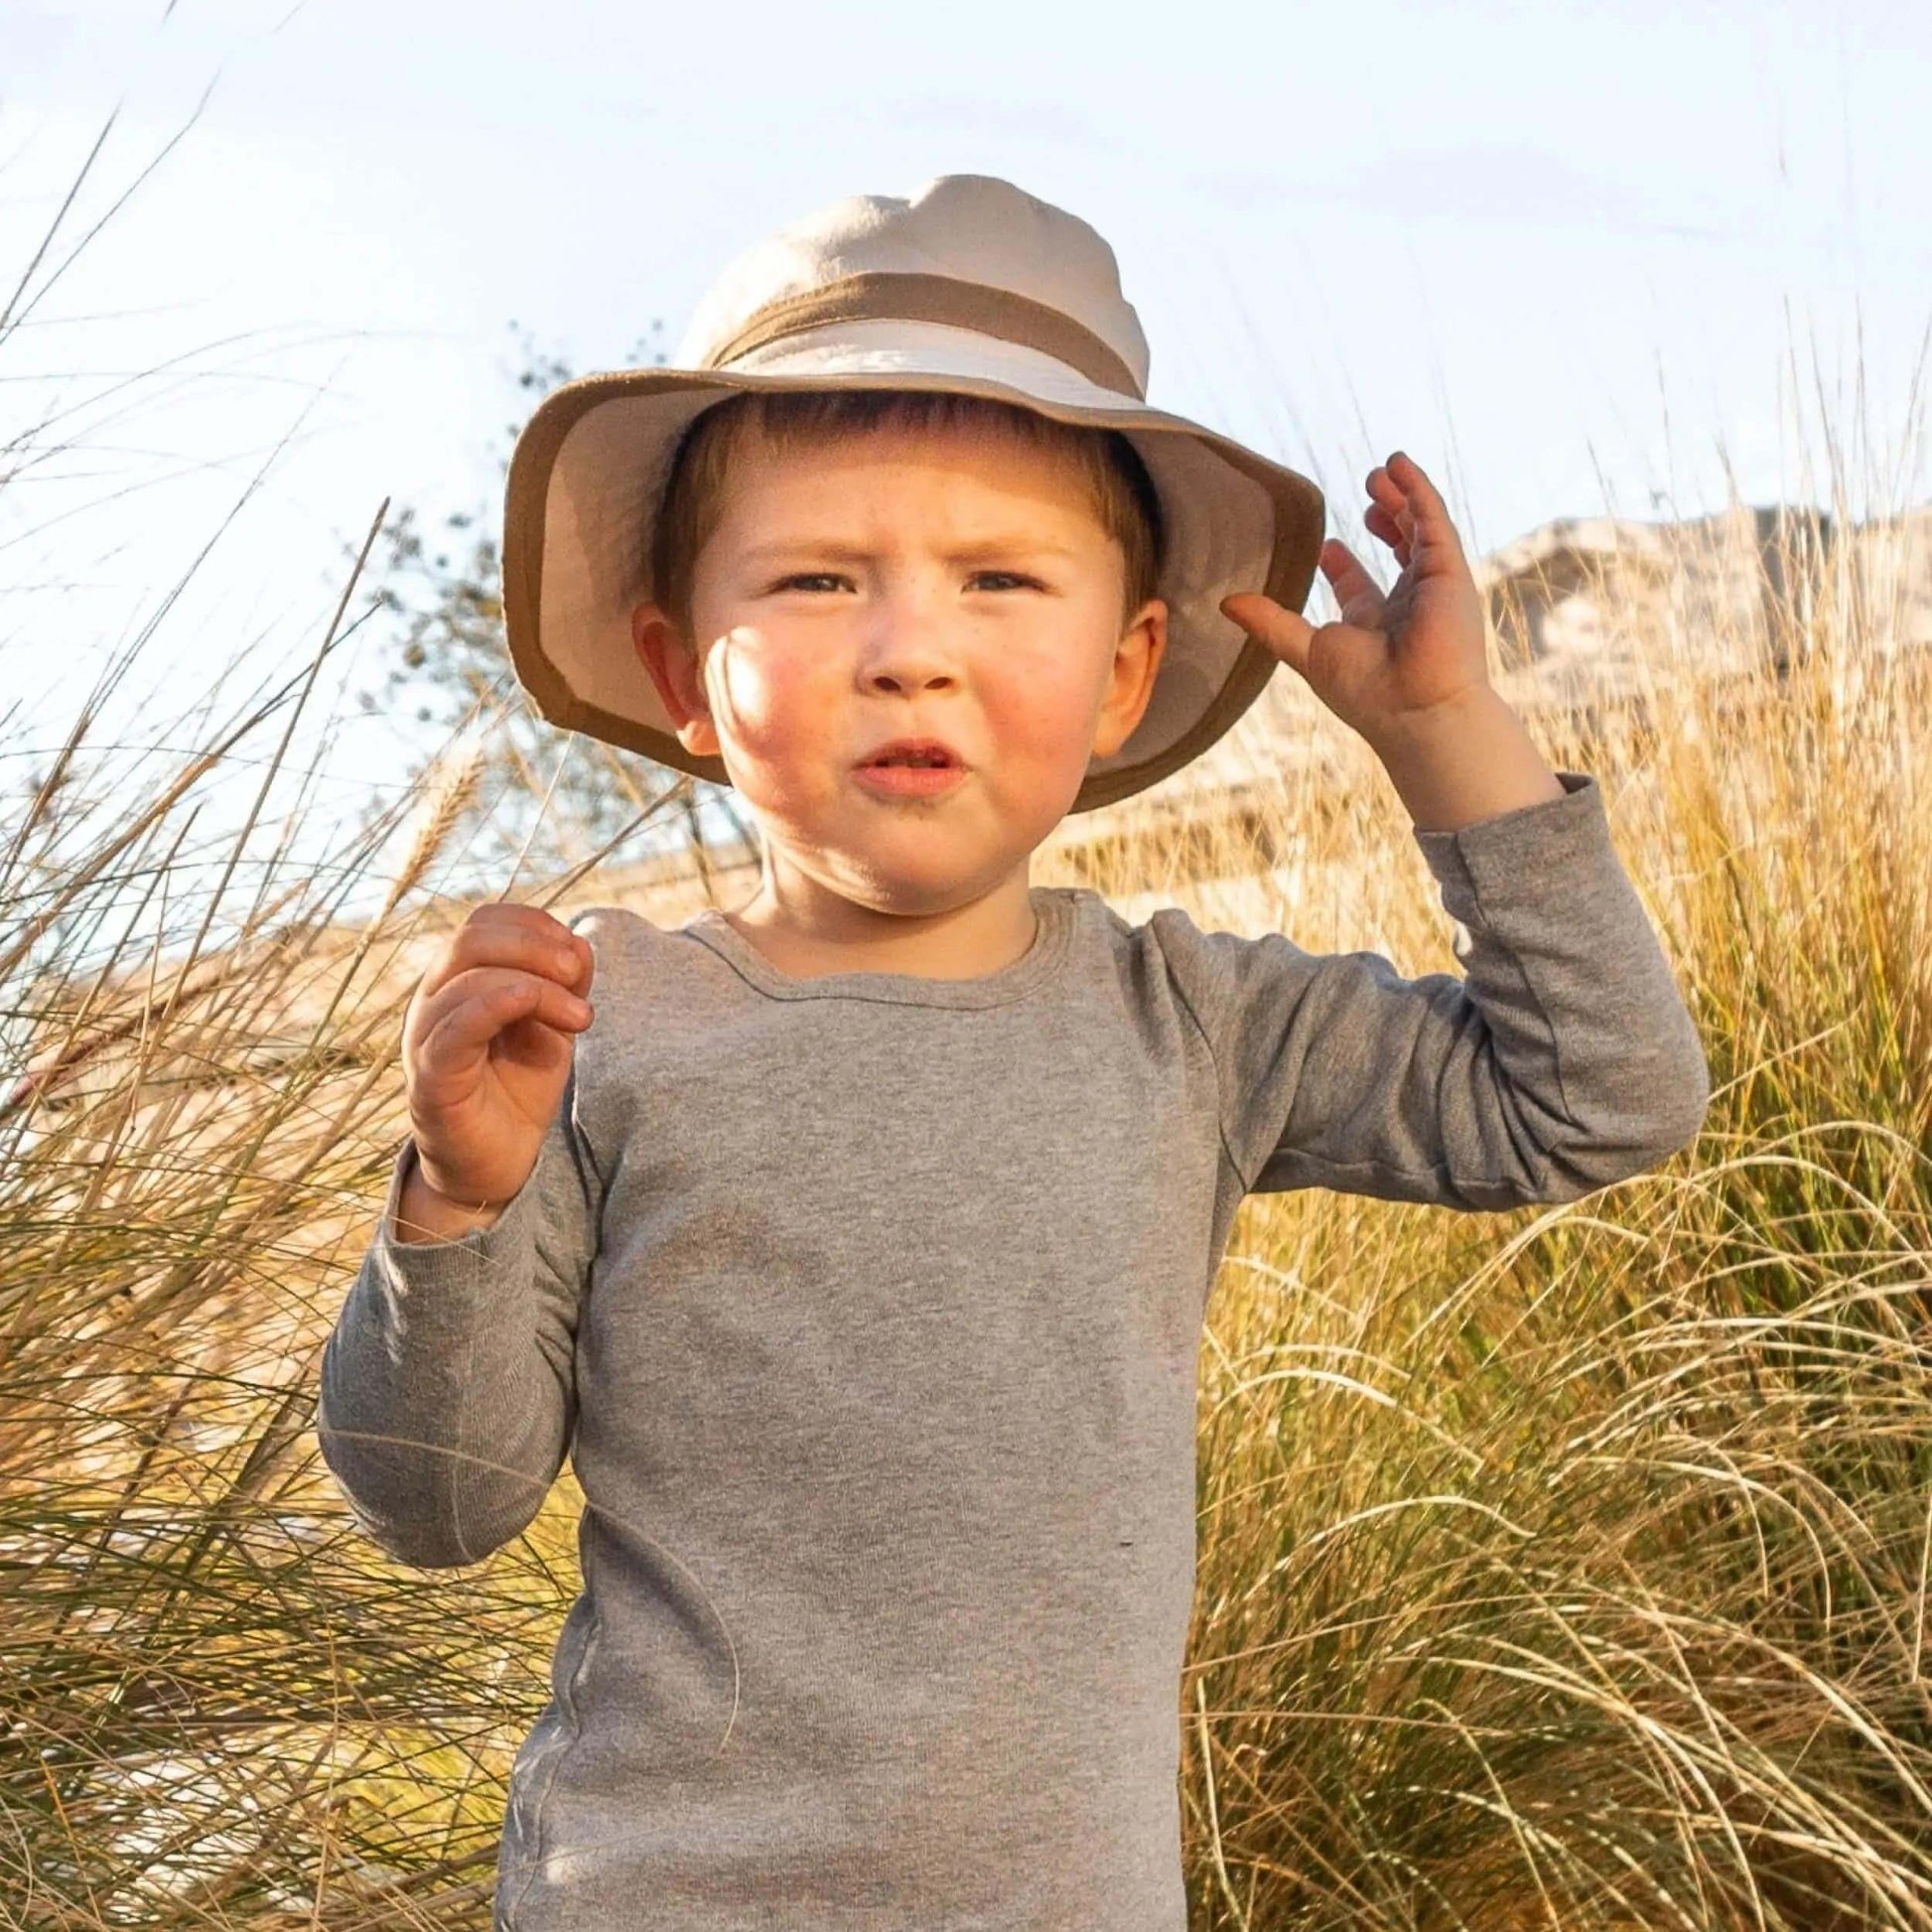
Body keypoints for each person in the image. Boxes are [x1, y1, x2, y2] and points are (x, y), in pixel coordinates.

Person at [316, 174, 1710, 1931]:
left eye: (1000, 579)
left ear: (1125, 671)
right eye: (817, 579)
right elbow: (438, 1503)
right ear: (682, 668)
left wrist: (1447, 739)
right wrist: (454, 1193)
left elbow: (1598, 1095)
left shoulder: (1188, 1020)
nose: (912, 651)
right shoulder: (598, 1031)